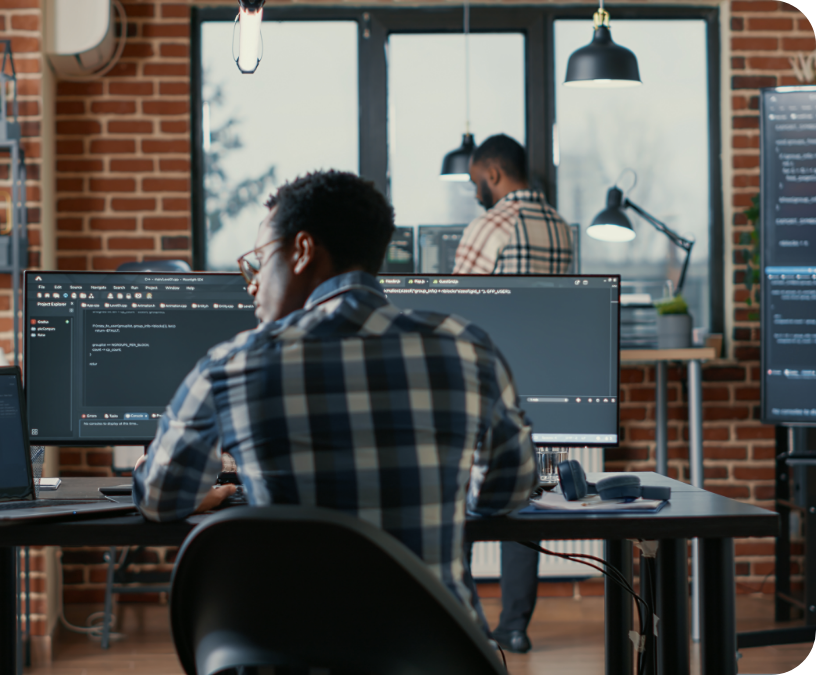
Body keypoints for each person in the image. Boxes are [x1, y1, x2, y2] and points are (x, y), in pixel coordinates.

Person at [133, 169, 538, 633]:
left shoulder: (232, 366)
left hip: (292, 652)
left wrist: (210, 492)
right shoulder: (469, 349)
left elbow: (159, 499)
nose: (252, 283)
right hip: (438, 652)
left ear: (303, 251)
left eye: (260, 261)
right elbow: (508, 491)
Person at [452, 134, 574, 654]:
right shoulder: (562, 227)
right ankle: (516, 625)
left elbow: (456, 309)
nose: (476, 189)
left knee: (463, 493)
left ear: (494, 174)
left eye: (478, 180)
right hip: (545, 377)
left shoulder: (489, 225)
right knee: (525, 495)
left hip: (489, 382)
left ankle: (466, 623)